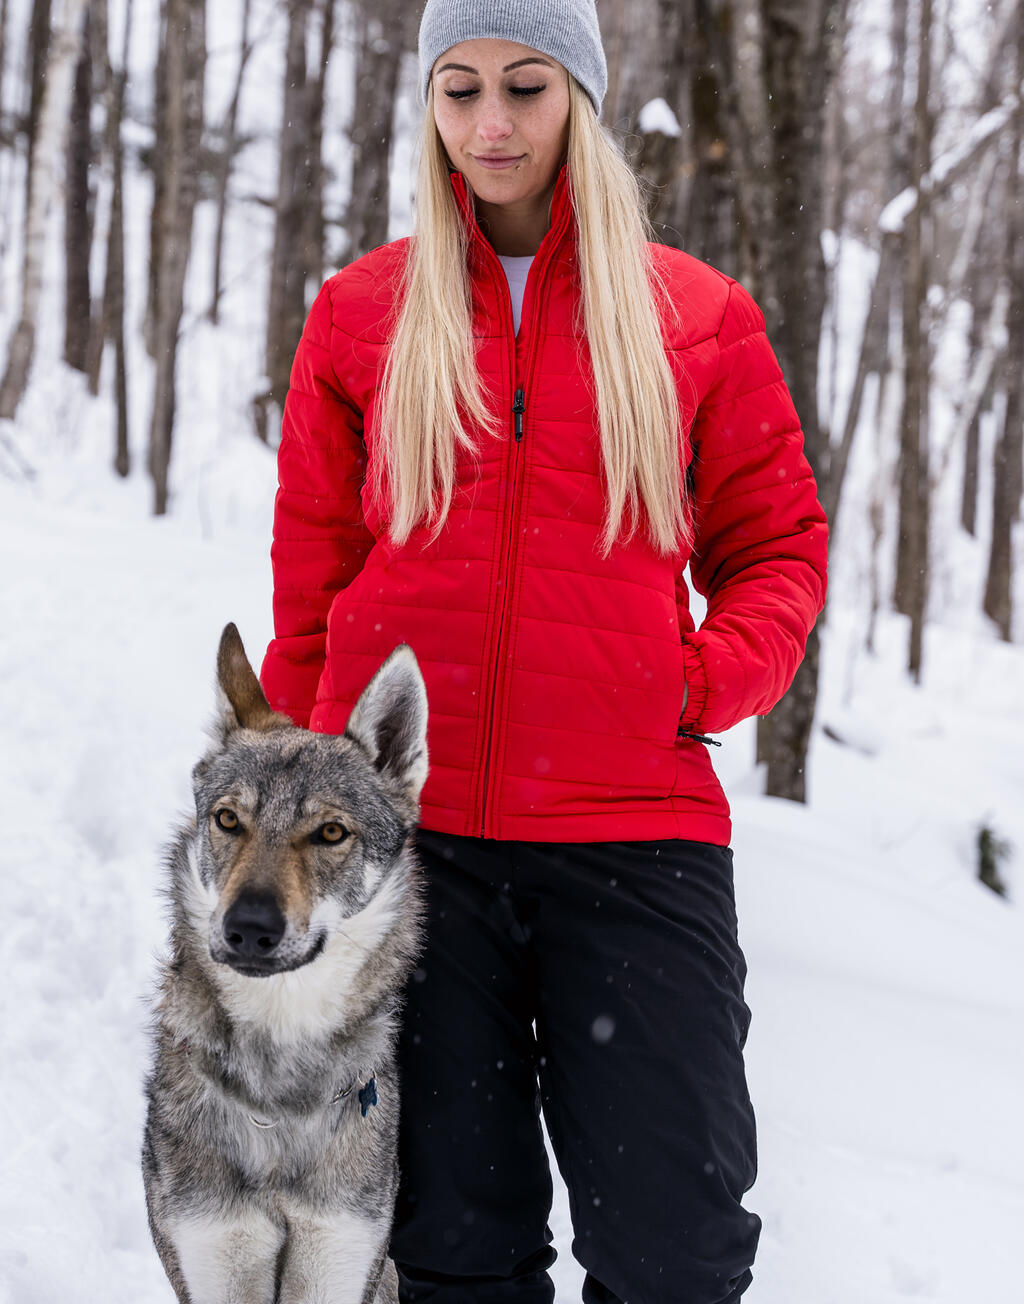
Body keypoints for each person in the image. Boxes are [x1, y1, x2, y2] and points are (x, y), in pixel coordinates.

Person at [260, 0, 828, 1300]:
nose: (491, 124)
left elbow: (780, 547)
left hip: (636, 840)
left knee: (677, 1245)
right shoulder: (361, 315)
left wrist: (692, 683)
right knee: (452, 1241)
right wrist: (309, 788)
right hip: (416, 848)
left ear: (580, 91)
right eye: (458, 90)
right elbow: (313, 577)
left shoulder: (696, 319)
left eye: (525, 84)